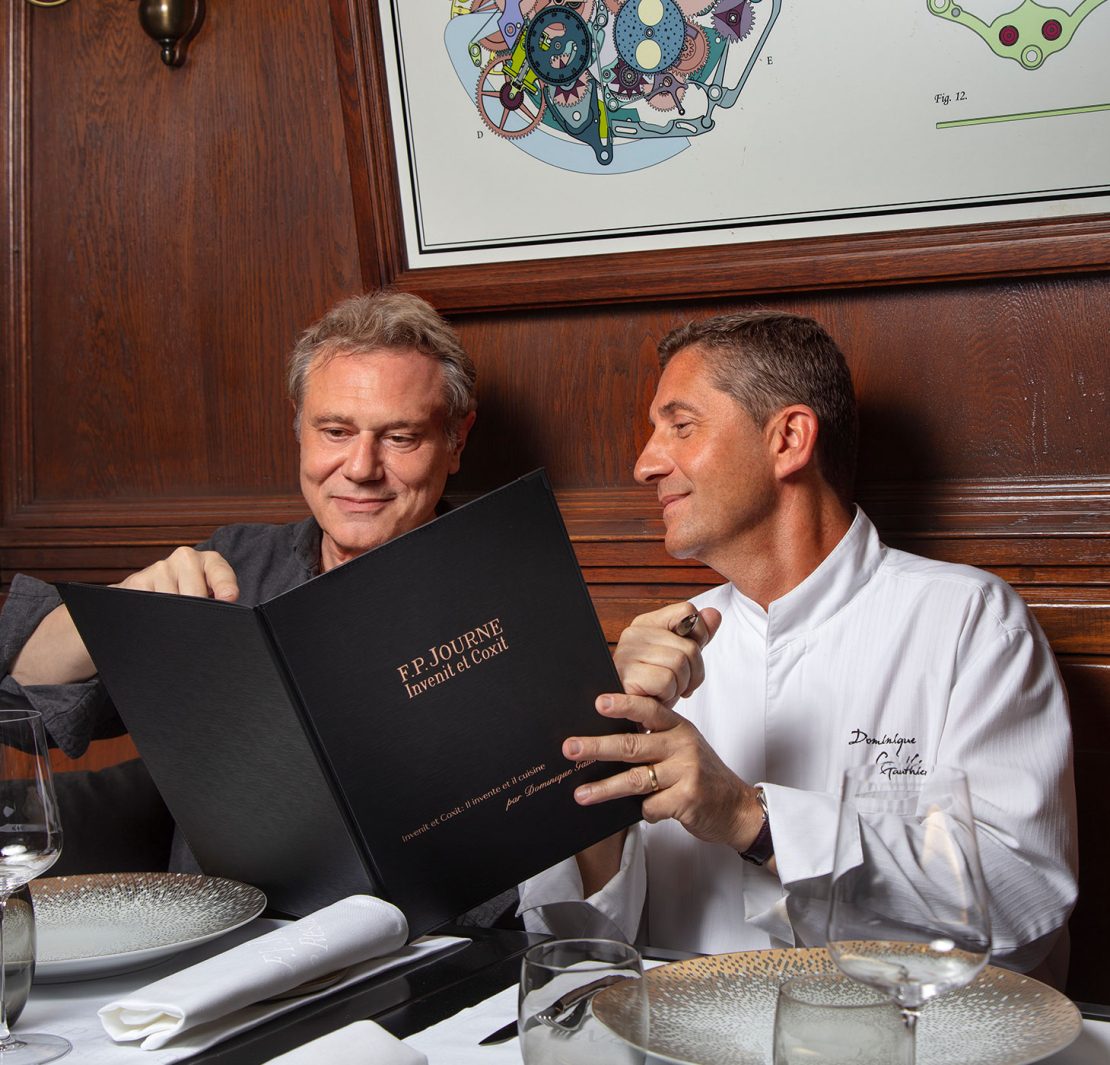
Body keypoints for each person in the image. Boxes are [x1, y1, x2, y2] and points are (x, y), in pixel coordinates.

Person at [519, 310, 1077, 986]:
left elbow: (1026, 900)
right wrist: (602, 738)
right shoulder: (656, 654)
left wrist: (752, 818)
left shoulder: (968, 621)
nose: (644, 462)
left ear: (788, 438)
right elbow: (567, 948)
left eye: (680, 425)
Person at [0, 290, 477, 759]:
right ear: (299, 428)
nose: (360, 468)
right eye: (335, 432)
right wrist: (120, 614)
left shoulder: (521, 589)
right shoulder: (232, 566)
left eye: (399, 437)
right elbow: (23, 711)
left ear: (456, 442)